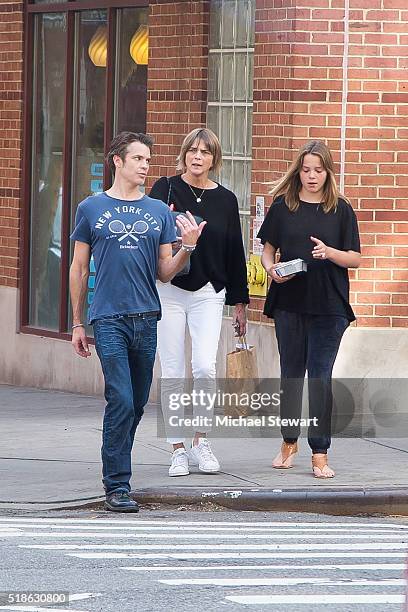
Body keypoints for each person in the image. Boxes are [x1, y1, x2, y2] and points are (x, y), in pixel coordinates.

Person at [69, 132, 206, 512]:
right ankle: (117, 484)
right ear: (117, 161)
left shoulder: (158, 211)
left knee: (138, 403)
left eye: (148, 160)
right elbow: (79, 269)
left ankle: (117, 469)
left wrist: (188, 248)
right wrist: (78, 323)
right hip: (109, 317)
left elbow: (165, 271)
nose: (146, 166)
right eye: (139, 159)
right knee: (122, 399)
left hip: (147, 318)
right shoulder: (91, 208)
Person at [149, 127, 249, 477]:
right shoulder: (165, 189)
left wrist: (240, 302)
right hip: (170, 289)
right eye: (192, 150)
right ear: (184, 153)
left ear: (213, 159)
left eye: (205, 152)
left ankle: (200, 440)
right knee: (173, 368)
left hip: (209, 291)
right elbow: (152, 237)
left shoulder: (226, 199)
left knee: (205, 367)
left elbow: (235, 252)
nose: (197, 157)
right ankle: (176, 447)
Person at [258, 140, 361, 478]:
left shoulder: (341, 209)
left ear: (328, 172)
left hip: (329, 305)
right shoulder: (282, 206)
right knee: (291, 375)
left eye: (318, 170)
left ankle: (320, 451)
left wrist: (330, 252)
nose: (312, 176)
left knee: (320, 378)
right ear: (297, 171)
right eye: (306, 170)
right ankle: (289, 442)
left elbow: (355, 259)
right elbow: (267, 251)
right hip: (290, 303)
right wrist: (272, 269)